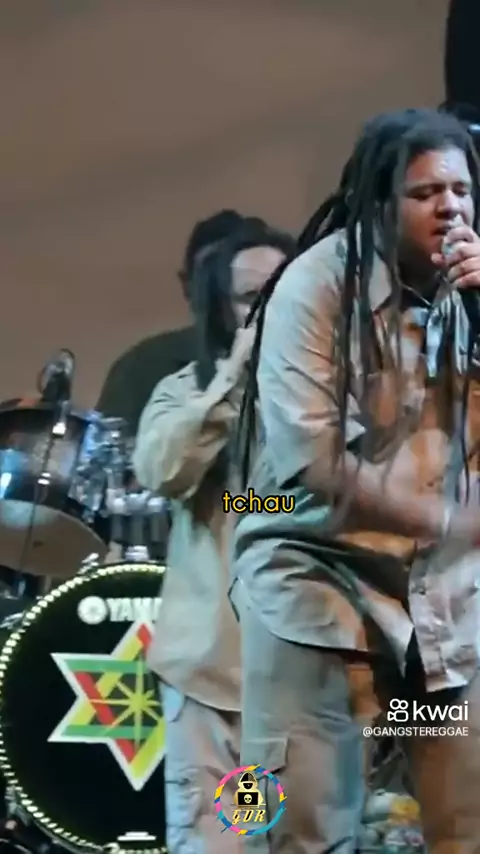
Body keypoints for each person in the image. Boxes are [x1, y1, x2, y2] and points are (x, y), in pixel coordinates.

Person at [232, 108, 480, 853]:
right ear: (377, 205)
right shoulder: (312, 288)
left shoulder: (471, 292)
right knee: (294, 827)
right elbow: (313, 459)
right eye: (425, 192)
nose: (451, 208)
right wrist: (443, 520)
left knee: (465, 821)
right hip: (319, 598)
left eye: (462, 190)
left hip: (439, 615)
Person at [132, 219, 294, 853]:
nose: (271, 307)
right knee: (223, 843)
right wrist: (233, 381)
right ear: (222, 311)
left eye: (283, 289)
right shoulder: (186, 393)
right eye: (252, 297)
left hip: (311, 685)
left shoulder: (337, 395)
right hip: (217, 681)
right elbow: (162, 470)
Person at [96, 209, 248, 435]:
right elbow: (106, 450)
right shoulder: (143, 366)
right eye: (210, 273)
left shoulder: (295, 362)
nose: (222, 289)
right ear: (187, 284)